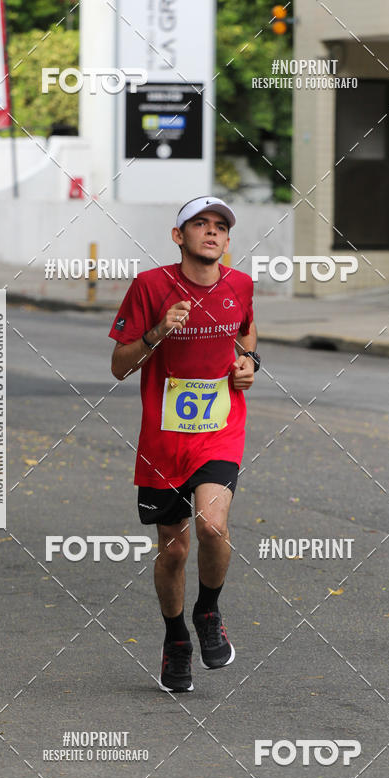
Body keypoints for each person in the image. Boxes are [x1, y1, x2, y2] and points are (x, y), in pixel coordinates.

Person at [110, 196, 260, 693]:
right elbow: (119, 365)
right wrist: (157, 332)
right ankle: (175, 638)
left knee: (213, 526)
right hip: (163, 439)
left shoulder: (239, 284)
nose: (212, 233)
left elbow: (246, 333)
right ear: (179, 236)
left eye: (220, 226)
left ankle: (208, 609)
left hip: (220, 430)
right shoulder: (150, 286)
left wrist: (249, 364)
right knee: (173, 552)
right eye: (200, 224)